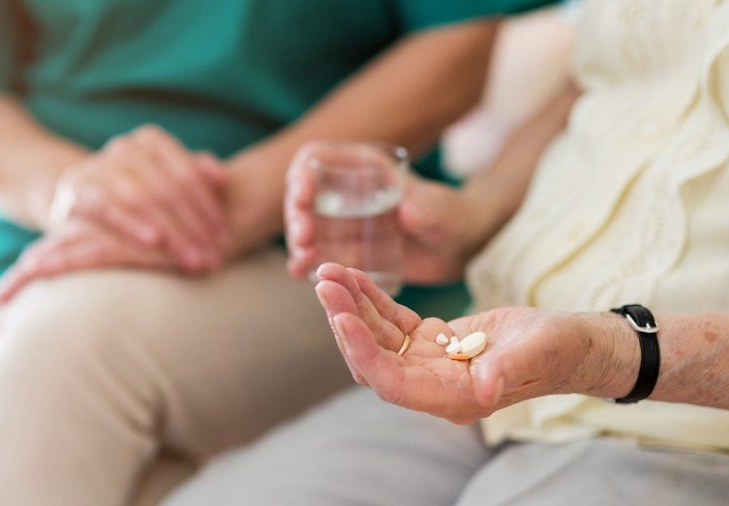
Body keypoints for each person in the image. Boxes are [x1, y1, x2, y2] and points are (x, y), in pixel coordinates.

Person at [0, 1, 557, 504]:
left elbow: (456, 43)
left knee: (74, 342)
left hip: (333, 248)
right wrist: (72, 189)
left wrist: (244, 199)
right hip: (59, 236)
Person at [164, 0, 729, 504]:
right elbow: (600, 82)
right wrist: (471, 215)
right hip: (498, 383)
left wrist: (610, 352)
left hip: (685, 425)